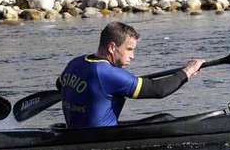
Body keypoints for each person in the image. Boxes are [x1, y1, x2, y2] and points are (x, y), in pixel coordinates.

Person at [58, 21, 204, 128]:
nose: (132, 56)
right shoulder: (108, 73)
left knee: (163, 119)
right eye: (129, 49)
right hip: (103, 142)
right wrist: (188, 71)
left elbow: (60, 85)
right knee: (166, 120)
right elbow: (158, 90)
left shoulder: (75, 63)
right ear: (112, 47)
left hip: (74, 133)